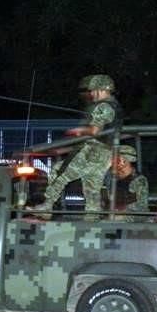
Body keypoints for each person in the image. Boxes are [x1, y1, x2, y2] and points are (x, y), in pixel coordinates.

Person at [30, 74, 123, 220]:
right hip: (106, 152)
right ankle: (92, 216)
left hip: (93, 150)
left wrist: (78, 131)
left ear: (101, 90)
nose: (91, 94)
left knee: (60, 172)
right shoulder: (115, 106)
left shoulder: (104, 106)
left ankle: (47, 206)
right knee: (91, 184)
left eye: (93, 91)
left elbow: (94, 131)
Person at [105, 145, 149, 221]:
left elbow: (141, 207)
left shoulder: (139, 180)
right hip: (110, 216)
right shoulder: (110, 177)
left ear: (126, 160)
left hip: (132, 219)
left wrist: (119, 214)